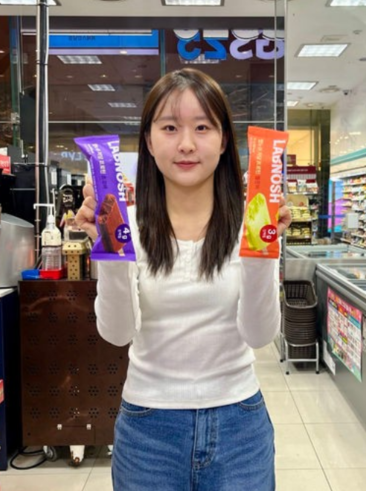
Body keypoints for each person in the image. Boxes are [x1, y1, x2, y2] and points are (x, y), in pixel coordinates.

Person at [75, 68, 291, 491]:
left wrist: (262, 249)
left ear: (224, 141)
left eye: (203, 127)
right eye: (170, 127)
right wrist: (109, 249)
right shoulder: (125, 224)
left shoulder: (250, 223)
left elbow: (259, 334)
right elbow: (117, 334)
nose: (187, 144)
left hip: (239, 425)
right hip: (147, 429)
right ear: (149, 141)